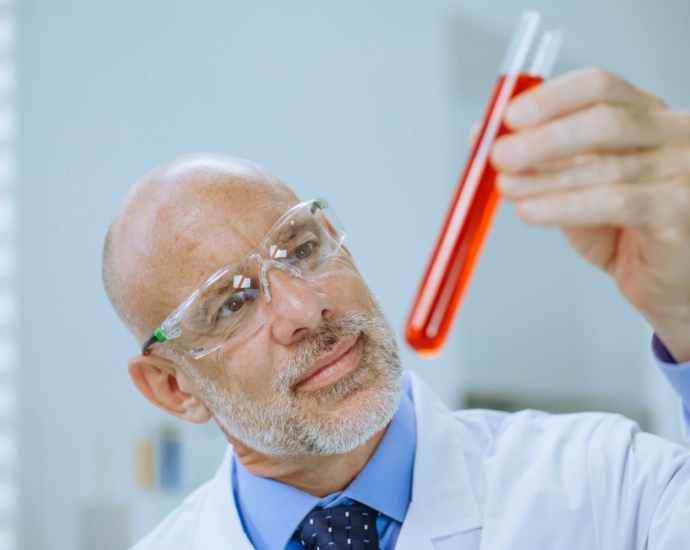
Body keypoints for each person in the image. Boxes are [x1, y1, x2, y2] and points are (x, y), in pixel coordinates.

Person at [103, 67, 690, 549]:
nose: (306, 308)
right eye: (232, 304)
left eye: (303, 249)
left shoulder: (609, 484)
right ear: (173, 388)